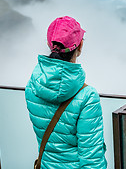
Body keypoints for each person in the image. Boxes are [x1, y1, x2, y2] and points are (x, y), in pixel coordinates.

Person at [25, 16, 107, 169]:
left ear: (50, 45)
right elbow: (92, 160)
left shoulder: (33, 85)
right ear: (80, 46)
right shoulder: (87, 96)